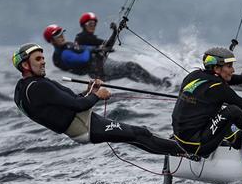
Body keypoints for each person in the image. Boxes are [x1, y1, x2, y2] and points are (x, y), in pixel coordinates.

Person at [12, 43, 183, 156]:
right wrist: (97, 95)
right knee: (140, 133)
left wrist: (90, 91)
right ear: (25, 65)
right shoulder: (38, 86)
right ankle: (187, 152)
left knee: (136, 135)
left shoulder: (23, 88)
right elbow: (77, 106)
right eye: (38, 59)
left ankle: (175, 149)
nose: (43, 62)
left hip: (81, 124)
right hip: (84, 125)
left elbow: (66, 104)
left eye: (43, 58)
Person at [171, 47, 242, 158]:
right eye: (229, 66)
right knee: (233, 111)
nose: (233, 70)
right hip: (198, 146)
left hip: (180, 138)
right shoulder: (218, 88)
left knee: (217, 110)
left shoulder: (193, 75)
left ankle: (234, 139)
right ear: (217, 68)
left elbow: (228, 78)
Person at [43, 24, 169, 87]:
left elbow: (92, 48)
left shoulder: (68, 46)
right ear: (52, 41)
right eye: (57, 36)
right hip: (101, 71)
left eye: (61, 34)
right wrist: (94, 50)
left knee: (129, 71)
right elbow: (84, 58)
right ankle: (161, 84)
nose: (61, 36)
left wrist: (115, 31)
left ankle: (156, 85)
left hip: (102, 65)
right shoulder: (64, 54)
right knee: (131, 66)